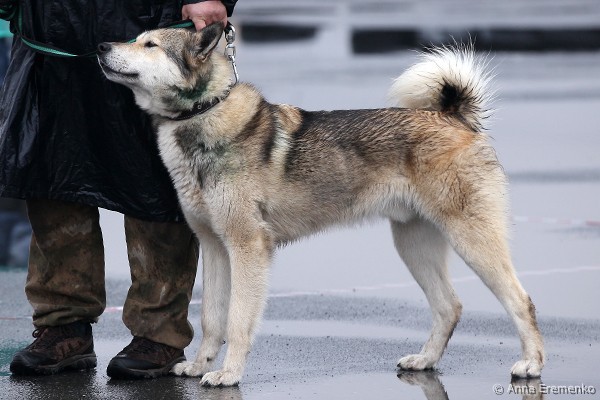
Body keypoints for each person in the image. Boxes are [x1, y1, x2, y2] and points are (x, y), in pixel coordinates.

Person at [0, 0, 237, 379]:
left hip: (149, 18)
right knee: (54, 178)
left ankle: (158, 332)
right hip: (51, 28)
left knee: (156, 184)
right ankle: (63, 324)